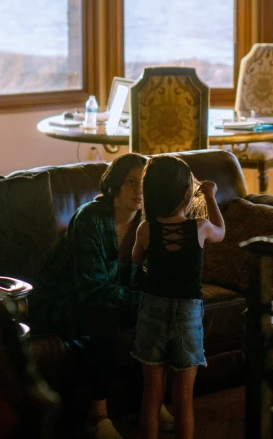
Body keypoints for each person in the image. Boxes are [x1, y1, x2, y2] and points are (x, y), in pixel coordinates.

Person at [30, 153, 173, 439]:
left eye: (144, 184)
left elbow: (144, 276)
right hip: (64, 299)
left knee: (159, 312)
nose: (139, 190)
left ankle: (153, 400)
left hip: (106, 295)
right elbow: (91, 288)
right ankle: (98, 417)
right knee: (105, 317)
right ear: (115, 185)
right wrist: (140, 302)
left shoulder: (146, 223)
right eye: (131, 182)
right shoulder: (90, 218)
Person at [131, 155, 225, 439]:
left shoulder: (145, 229)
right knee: (183, 400)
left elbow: (135, 260)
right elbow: (221, 232)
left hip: (152, 311)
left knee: (151, 396)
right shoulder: (200, 227)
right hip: (188, 314)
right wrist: (210, 196)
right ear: (187, 194)